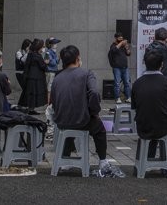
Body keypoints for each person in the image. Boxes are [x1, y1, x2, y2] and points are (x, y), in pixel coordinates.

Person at [50, 45, 124, 178]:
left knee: (69, 129)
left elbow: (53, 101)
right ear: (78, 58)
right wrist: (94, 111)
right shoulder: (86, 73)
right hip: (82, 120)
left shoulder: (57, 78)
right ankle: (102, 161)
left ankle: (65, 158)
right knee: (99, 129)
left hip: (61, 121)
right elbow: (94, 93)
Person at [131, 49, 167, 173]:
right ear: (162, 64)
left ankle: (148, 159)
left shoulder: (137, 84)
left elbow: (135, 107)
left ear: (145, 63)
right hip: (164, 125)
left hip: (143, 125)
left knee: (153, 125)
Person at [20, 38, 48, 110]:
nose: (43, 48)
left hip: (30, 77)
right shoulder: (38, 56)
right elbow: (43, 66)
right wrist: (46, 63)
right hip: (37, 78)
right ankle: (31, 109)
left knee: (31, 94)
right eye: (43, 47)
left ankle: (30, 109)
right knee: (35, 94)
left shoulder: (30, 54)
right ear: (39, 47)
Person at [108, 33, 132, 102]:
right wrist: (121, 43)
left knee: (127, 83)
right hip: (117, 68)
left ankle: (128, 97)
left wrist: (127, 48)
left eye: (122, 38)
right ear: (116, 38)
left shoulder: (123, 46)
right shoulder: (113, 45)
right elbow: (113, 50)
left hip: (125, 67)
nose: (121, 40)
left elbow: (128, 53)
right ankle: (117, 98)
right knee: (117, 83)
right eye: (119, 38)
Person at [44, 37, 61, 103]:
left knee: (51, 89)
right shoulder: (48, 52)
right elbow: (50, 62)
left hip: (53, 71)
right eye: (55, 43)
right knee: (49, 89)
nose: (56, 44)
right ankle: (48, 104)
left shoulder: (53, 52)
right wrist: (57, 59)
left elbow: (56, 62)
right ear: (51, 44)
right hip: (50, 72)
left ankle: (51, 104)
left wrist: (58, 58)